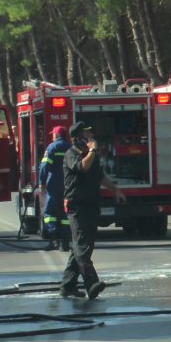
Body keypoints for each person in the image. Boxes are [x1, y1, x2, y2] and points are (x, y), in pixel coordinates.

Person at [59, 121, 126, 300]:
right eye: (87, 134)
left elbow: (100, 177)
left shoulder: (90, 155)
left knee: (82, 247)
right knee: (82, 246)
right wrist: (93, 151)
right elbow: (83, 167)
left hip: (91, 205)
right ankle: (91, 284)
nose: (91, 137)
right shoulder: (71, 154)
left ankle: (68, 285)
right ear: (78, 138)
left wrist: (116, 190)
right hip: (77, 205)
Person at [38, 125, 72, 250]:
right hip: (68, 186)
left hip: (53, 186)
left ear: (56, 135)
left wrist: (41, 182)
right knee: (65, 215)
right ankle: (65, 243)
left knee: (49, 213)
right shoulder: (70, 148)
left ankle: (53, 240)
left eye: (52, 134)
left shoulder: (52, 147)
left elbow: (44, 166)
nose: (51, 135)